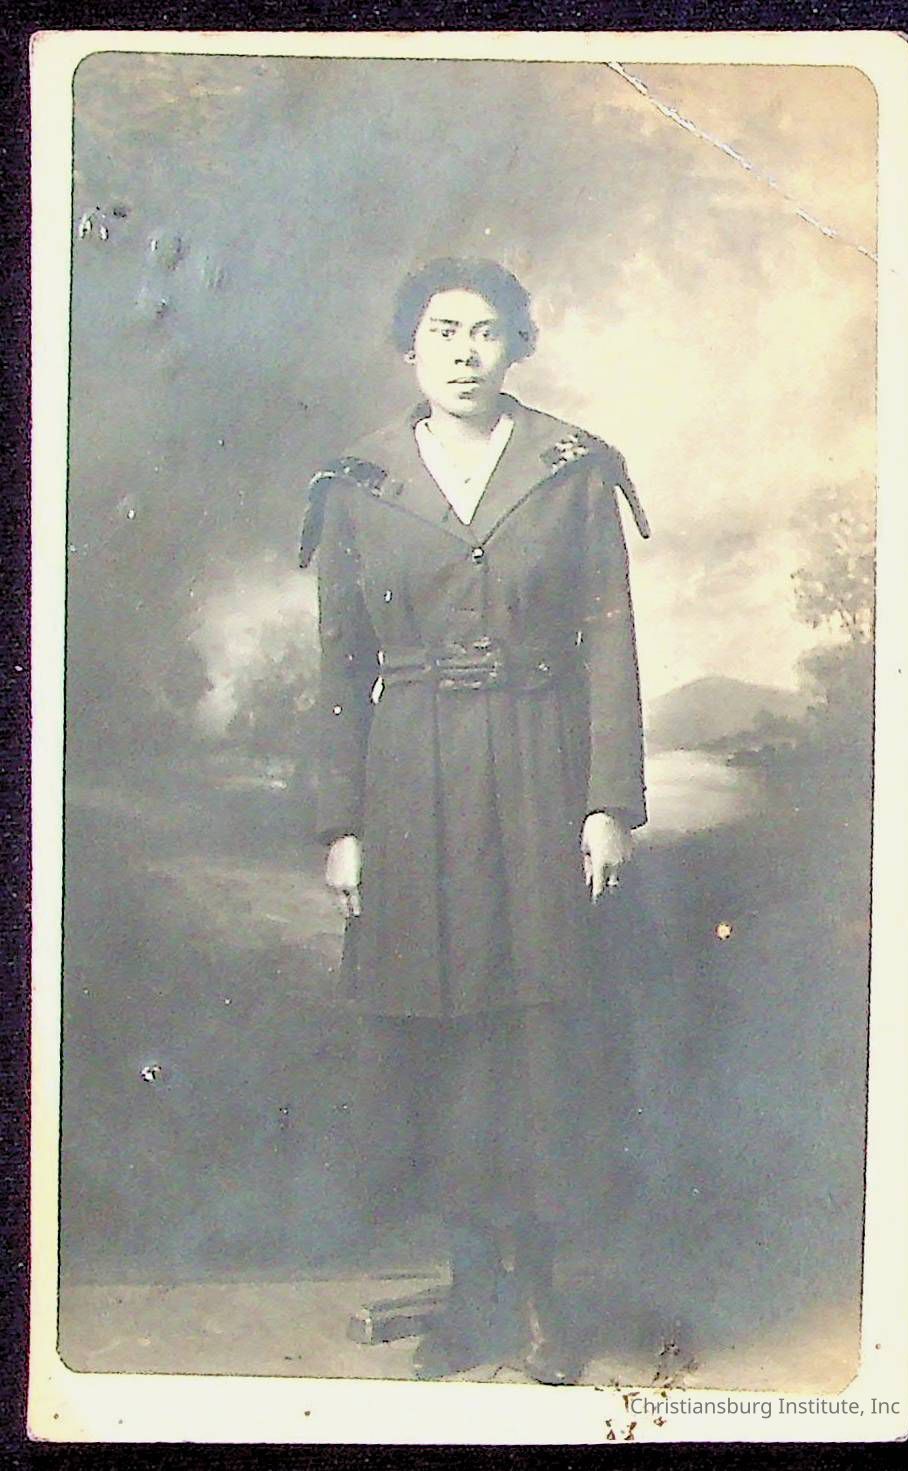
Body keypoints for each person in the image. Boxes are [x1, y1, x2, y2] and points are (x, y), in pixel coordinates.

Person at [299, 258, 649, 1383]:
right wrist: (341, 825)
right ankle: (468, 1291)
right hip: (407, 783)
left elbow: (610, 643)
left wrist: (606, 803)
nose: (463, 351)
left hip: (538, 766)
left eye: (486, 331)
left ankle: (539, 1296)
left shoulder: (568, 470)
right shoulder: (358, 484)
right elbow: (338, 668)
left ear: (517, 347)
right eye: (443, 330)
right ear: (410, 346)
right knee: (437, 1035)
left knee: (534, 1036)